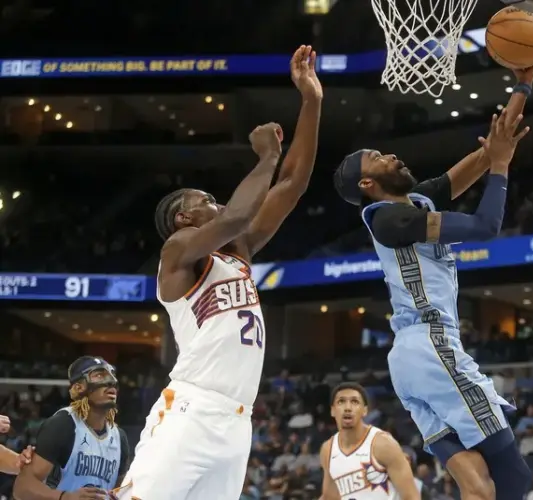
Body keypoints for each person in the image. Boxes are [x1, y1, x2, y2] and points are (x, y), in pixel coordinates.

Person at [331, 50, 533, 500]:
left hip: (412, 358)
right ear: (366, 185)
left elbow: (488, 151)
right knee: (513, 479)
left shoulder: (415, 201)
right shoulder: (388, 218)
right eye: (377, 158)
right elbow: (487, 225)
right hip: (430, 346)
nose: (390, 155)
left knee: (479, 488)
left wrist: (523, 86)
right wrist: (504, 166)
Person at [115, 45, 322, 500]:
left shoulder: (238, 251)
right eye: (205, 200)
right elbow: (236, 217)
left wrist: (311, 100)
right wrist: (265, 157)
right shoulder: (178, 254)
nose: (218, 204)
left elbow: (292, 184)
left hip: (237, 420)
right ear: (183, 220)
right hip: (191, 408)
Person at [13, 356, 130, 499]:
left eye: (112, 375)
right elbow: (22, 487)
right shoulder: (63, 424)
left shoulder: (119, 437)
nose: (111, 381)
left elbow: (121, 493)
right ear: (78, 387)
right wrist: (66, 497)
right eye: (99, 375)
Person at [320, 382, 420, 500]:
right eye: (341, 402)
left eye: (354, 402)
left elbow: (411, 496)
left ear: (365, 410)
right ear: (332, 410)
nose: (347, 408)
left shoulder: (383, 444)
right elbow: (330, 497)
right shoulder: (328, 449)